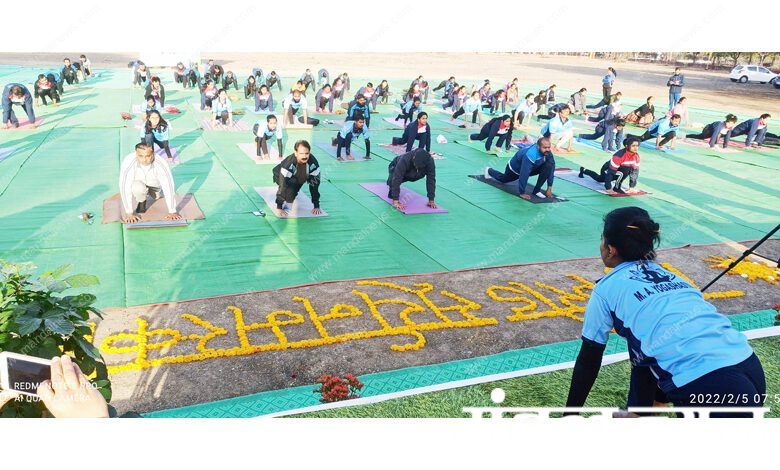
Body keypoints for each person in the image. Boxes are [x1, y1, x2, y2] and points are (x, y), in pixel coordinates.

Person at [565, 206, 765, 417]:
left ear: (610, 249)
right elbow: (649, 353)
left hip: (710, 385)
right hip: (749, 367)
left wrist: (570, 415)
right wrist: (643, 410)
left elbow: (590, 357)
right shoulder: (676, 279)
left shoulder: (605, 289)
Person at [119, 142, 181, 223]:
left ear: (153, 153)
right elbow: (124, 186)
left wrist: (172, 211)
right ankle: (142, 202)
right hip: (138, 184)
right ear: (136, 154)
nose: (144, 159)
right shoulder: (129, 161)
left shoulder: (161, 162)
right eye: (140, 156)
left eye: (148, 156)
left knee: (157, 197)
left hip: (155, 186)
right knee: (137, 188)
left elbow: (168, 185)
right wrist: (129, 213)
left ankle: (154, 194)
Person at [484, 137, 555, 200]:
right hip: (514, 169)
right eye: (545, 148)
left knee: (548, 166)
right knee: (503, 179)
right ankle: (489, 170)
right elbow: (524, 173)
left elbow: (551, 167)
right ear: (538, 147)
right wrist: (522, 192)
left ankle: (536, 191)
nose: (547, 149)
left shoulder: (547, 152)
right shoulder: (530, 154)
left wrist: (549, 187)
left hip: (532, 167)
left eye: (549, 147)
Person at [272, 140, 322, 217]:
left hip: (298, 176)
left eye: (307, 153)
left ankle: (293, 191)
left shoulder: (313, 164)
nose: (304, 156)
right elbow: (283, 185)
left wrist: (316, 206)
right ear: (296, 153)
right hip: (279, 174)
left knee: (290, 197)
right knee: (287, 191)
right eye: (301, 153)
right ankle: (289, 193)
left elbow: (314, 186)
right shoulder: (289, 165)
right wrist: (279, 207)